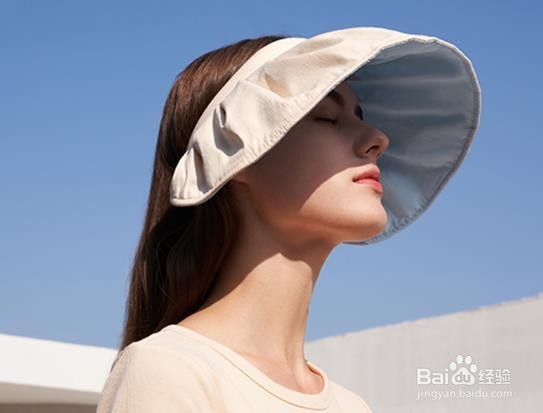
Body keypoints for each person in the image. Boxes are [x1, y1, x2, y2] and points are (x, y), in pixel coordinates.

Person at [97, 26, 481, 412]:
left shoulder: (352, 406)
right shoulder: (170, 371)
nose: (378, 139)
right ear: (234, 152)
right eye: (326, 117)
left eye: (360, 116)